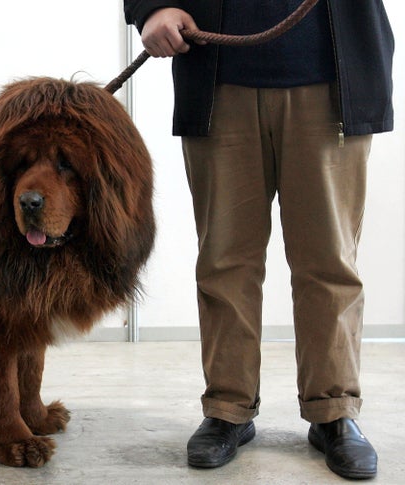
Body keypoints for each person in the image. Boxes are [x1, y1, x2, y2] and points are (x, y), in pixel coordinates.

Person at [123, 0, 394, 479]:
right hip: (217, 74)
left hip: (332, 77)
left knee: (329, 262)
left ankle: (334, 411)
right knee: (224, 262)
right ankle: (227, 409)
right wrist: (151, 8)